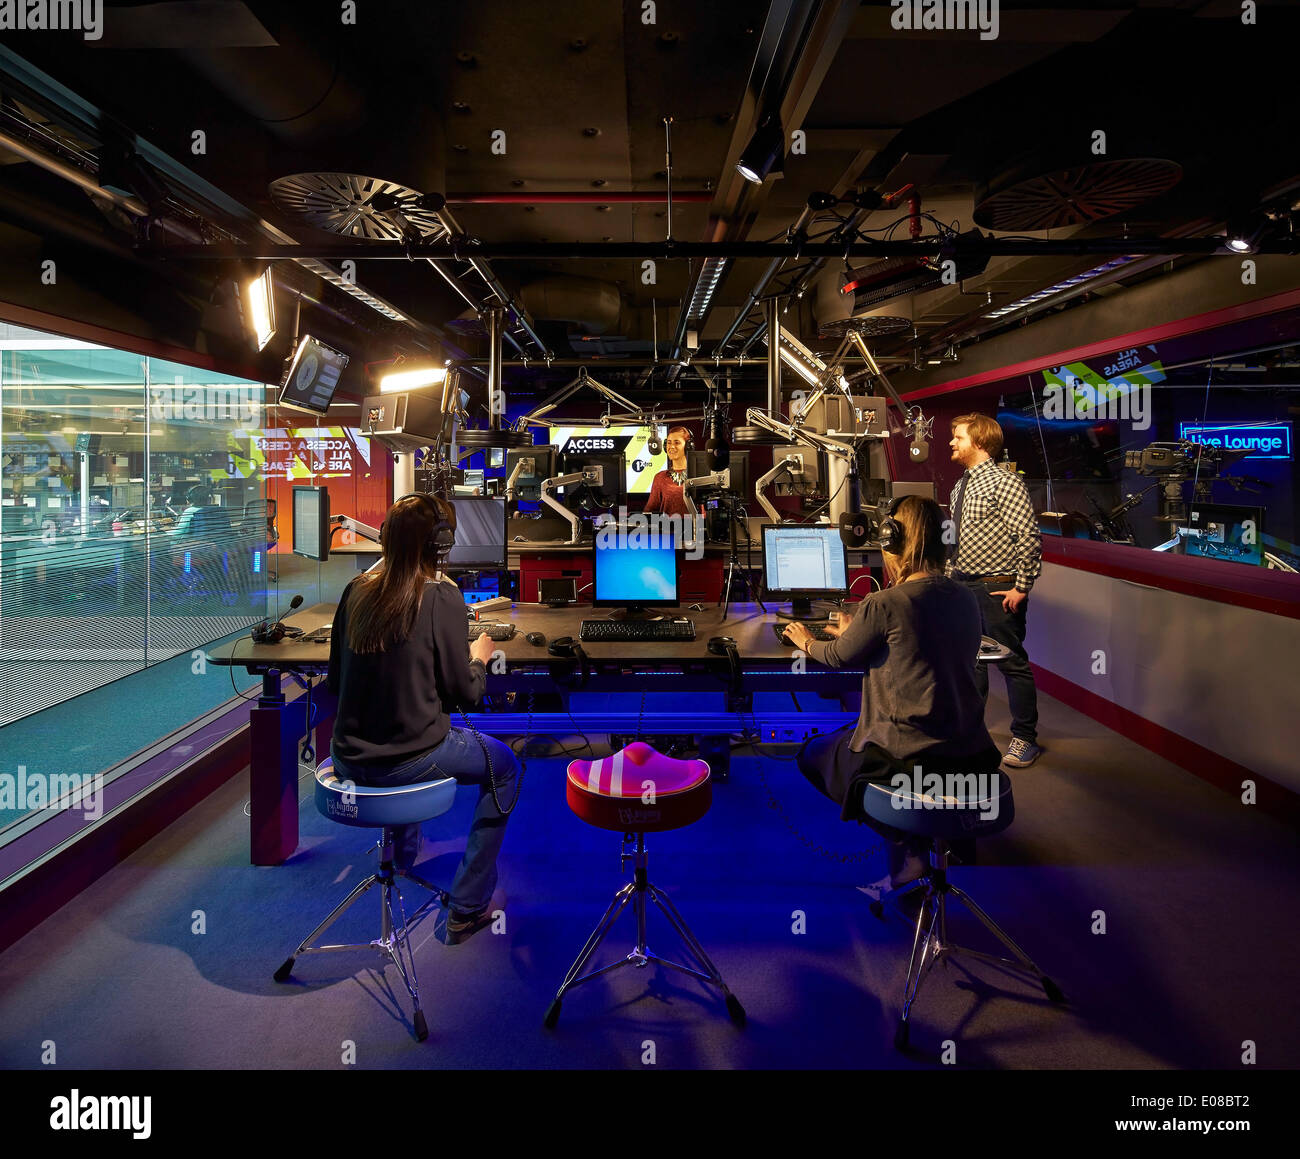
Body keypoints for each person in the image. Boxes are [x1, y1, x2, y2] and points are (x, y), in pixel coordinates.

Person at [326, 492, 520, 944]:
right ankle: (469, 907)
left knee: (406, 724)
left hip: (349, 763)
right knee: (506, 766)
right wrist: (479, 657)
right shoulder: (440, 596)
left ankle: (404, 854)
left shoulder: (355, 590)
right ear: (441, 544)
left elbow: (336, 681)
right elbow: (465, 695)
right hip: (408, 760)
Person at [785, 496, 1000, 889]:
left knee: (812, 754)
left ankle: (909, 849)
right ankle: (921, 848)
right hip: (971, 757)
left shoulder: (884, 602)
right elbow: (917, 644)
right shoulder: (967, 598)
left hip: (908, 761)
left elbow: (835, 656)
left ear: (893, 543)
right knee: (856, 739)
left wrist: (804, 641)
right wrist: (860, 629)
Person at [946, 413, 1043, 768]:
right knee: (971, 663)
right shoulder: (960, 485)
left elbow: (1028, 537)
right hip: (962, 586)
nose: (951, 442)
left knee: (1012, 663)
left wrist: (1022, 586)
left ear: (980, 443)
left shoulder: (1005, 482)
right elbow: (953, 541)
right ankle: (970, 731)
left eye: (958, 437)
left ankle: (1025, 739)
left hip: (998, 587)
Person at [642, 426, 693, 517]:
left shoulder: (700, 476)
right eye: (669, 443)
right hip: (668, 529)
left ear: (688, 446)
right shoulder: (660, 477)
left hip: (695, 530)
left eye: (677, 443)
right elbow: (649, 511)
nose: (671, 447)